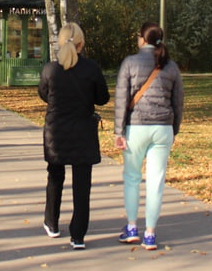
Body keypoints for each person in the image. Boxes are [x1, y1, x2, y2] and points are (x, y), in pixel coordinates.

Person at [38, 23, 110, 251]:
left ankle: (52, 222)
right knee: (82, 184)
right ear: (81, 43)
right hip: (83, 132)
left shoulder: (50, 70)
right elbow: (102, 98)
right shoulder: (91, 69)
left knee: (55, 176)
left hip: (56, 131)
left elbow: (44, 94)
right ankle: (77, 235)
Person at [113, 22, 184, 251]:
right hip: (162, 128)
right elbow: (178, 101)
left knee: (132, 178)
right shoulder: (171, 66)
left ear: (142, 39)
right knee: (156, 182)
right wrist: (174, 129)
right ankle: (150, 233)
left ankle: (132, 227)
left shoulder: (130, 63)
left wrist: (118, 130)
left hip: (137, 127)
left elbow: (122, 99)